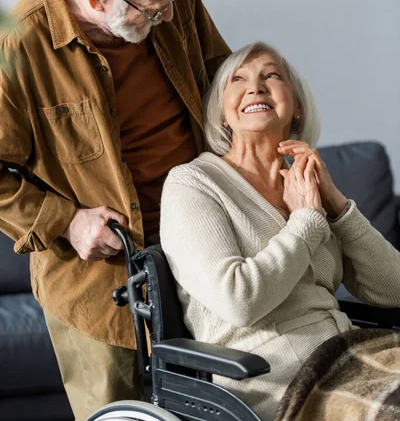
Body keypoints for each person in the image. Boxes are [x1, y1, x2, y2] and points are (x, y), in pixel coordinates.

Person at [0, 0, 230, 420]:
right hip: (100, 285)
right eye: (153, 10)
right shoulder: (21, 43)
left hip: (201, 251)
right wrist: (68, 221)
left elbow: (216, 71)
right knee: (118, 415)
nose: (169, 16)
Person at [160, 41, 400, 421]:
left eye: (272, 75)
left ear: (297, 105)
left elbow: (394, 287)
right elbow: (239, 300)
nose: (255, 87)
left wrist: (335, 204)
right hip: (274, 380)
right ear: (222, 113)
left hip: (351, 353)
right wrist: (306, 221)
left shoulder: (306, 184)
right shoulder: (193, 184)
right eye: (237, 79)